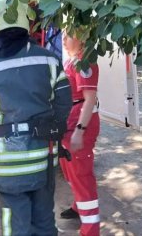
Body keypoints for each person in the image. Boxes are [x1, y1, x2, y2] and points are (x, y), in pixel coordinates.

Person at [0, 0, 71, 235]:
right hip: (42, 161)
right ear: (25, 22)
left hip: (4, 166)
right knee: (44, 225)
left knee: (14, 229)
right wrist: (48, 126)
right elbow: (64, 103)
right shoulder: (49, 59)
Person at [59, 31, 101, 235]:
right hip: (70, 123)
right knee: (70, 170)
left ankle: (90, 229)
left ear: (82, 39)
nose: (63, 41)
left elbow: (90, 99)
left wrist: (79, 132)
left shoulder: (85, 63)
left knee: (81, 175)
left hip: (79, 125)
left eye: (68, 36)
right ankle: (78, 206)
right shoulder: (73, 61)